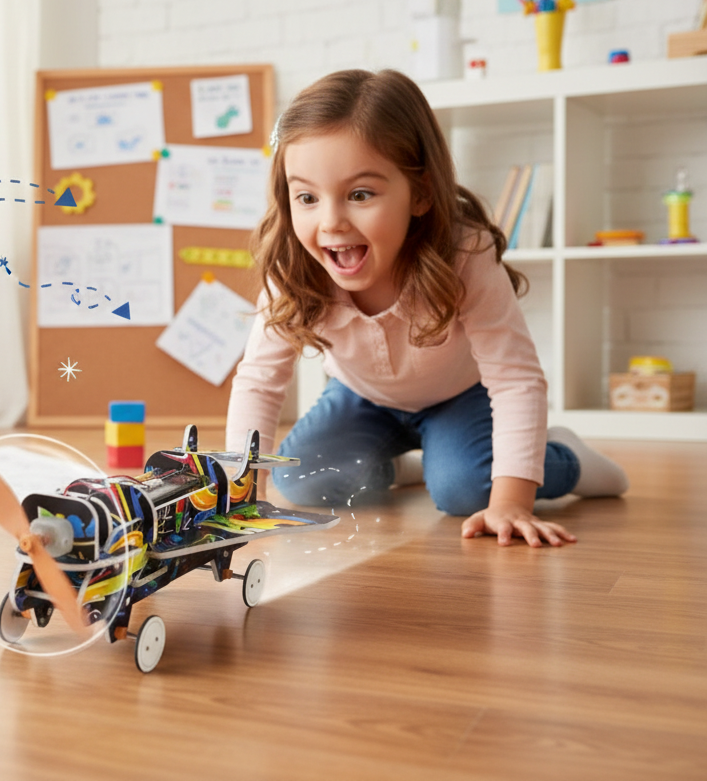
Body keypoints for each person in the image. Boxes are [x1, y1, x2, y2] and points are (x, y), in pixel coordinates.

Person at [226, 69, 628, 548]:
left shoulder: (464, 253)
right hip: (364, 398)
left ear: (420, 192)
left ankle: (567, 457)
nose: (330, 221)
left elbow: (515, 377)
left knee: (469, 490)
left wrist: (512, 501)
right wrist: (238, 495)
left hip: (460, 397)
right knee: (301, 480)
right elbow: (259, 381)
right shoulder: (292, 266)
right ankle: (404, 464)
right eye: (307, 197)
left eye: (360, 194)